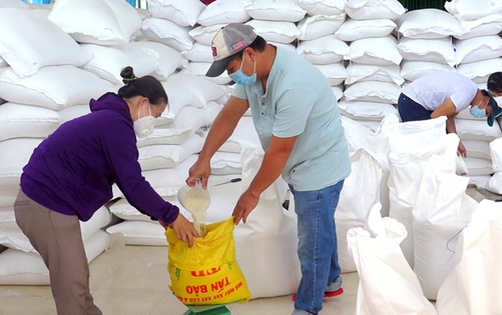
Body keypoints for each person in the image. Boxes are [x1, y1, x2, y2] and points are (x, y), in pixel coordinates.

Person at [186, 23, 351, 315]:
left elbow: (280, 151)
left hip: (318, 165)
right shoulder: (252, 74)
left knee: (311, 239)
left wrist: (252, 193)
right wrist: (205, 157)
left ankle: (308, 307)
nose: (229, 74)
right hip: (297, 162)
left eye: (230, 66)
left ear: (249, 53)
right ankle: (331, 280)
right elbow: (229, 115)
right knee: (320, 224)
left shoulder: (293, 83)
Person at [14, 66, 198, 315]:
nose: (152, 122)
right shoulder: (115, 125)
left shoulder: (110, 120)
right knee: (72, 285)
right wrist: (173, 215)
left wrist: (162, 215)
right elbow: (132, 184)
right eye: (155, 114)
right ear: (143, 102)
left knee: (76, 278)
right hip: (45, 204)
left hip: (49, 203)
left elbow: (129, 183)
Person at [397, 71, 502, 157]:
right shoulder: (466, 95)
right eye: (486, 112)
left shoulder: (469, 93)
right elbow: (435, 117)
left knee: (433, 148)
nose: (482, 115)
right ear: (485, 100)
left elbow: (449, 118)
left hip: (414, 101)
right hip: (413, 102)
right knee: (427, 150)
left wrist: (455, 141)